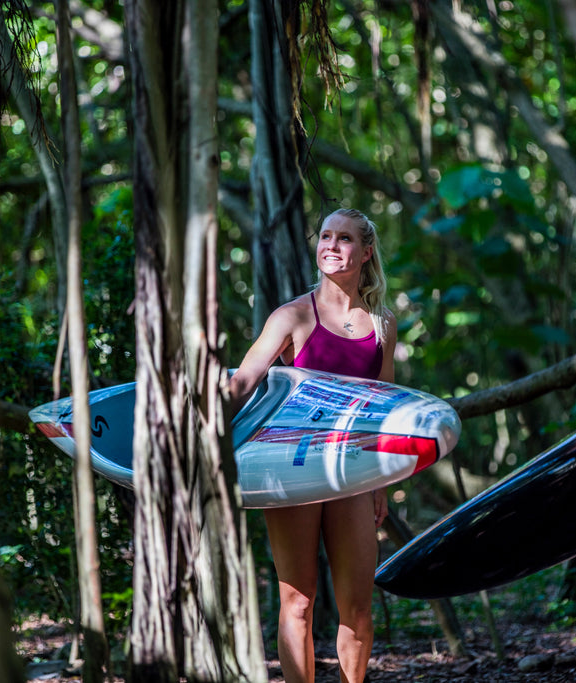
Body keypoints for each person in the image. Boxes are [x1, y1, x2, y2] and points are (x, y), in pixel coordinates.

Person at [229, 207, 397, 683]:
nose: (331, 245)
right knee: (297, 601)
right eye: (325, 235)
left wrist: (381, 482)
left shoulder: (382, 324)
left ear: (365, 252)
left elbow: (382, 407)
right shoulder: (293, 316)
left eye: (344, 238)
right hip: (291, 469)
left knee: (357, 608)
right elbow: (242, 383)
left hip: (352, 471)